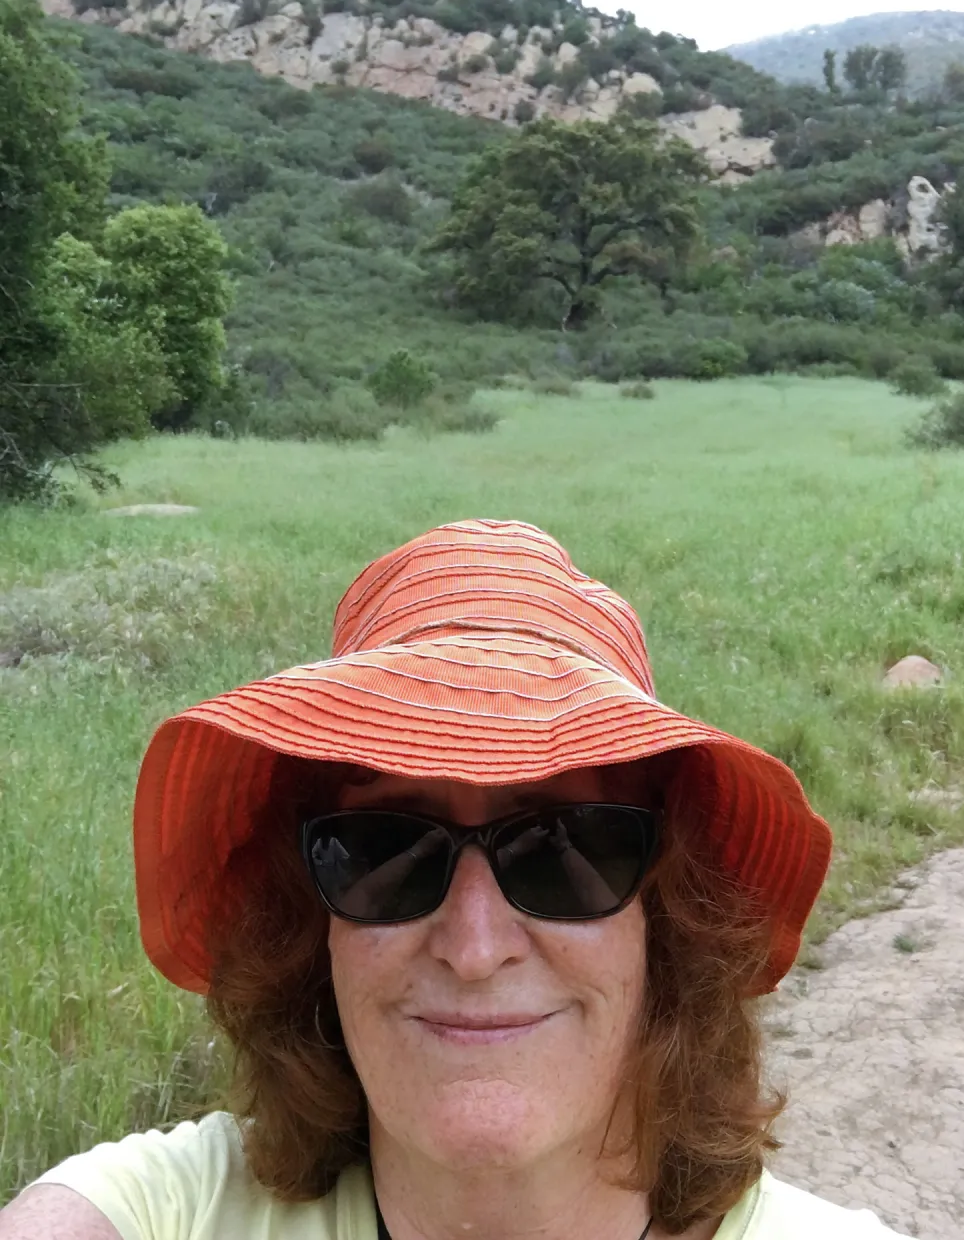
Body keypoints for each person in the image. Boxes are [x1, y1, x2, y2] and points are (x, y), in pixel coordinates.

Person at [0, 519, 910, 1240]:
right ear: (309, 923)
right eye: (382, 852)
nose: (474, 949)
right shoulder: (169, 1212)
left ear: (667, 919)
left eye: (566, 849)